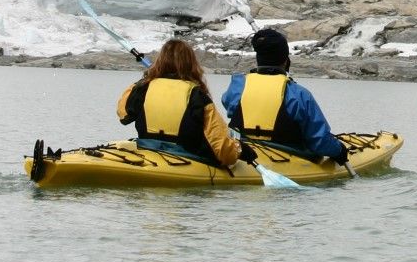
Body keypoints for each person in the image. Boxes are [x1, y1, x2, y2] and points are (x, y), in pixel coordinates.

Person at [224, 28, 349, 167]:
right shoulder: (299, 94)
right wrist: (339, 151)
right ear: (285, 61)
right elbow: (319, 140)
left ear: (258, 59)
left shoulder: (238, 86)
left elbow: (229, 106)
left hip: (245, 151)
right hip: (287, 154)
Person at [117, 38, 246, 168]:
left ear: (160, 61)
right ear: (191, 64)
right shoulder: (197, 95)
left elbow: (123, 115)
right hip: (186, 157)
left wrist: (143, 81)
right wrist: (239, 150)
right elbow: (224, 151)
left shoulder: (143, 88)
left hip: (147, 150)